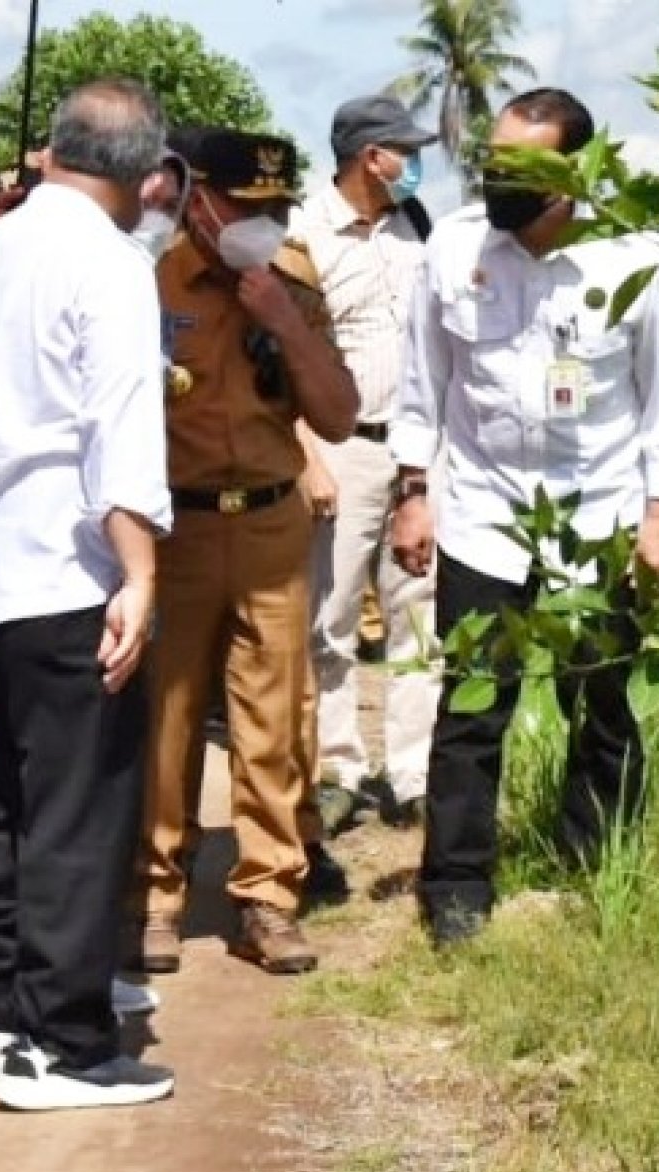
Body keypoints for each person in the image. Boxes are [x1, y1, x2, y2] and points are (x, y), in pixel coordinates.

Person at [388, 88, 659, 947]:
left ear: (572, 173)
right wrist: (413, 492)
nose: (500, 181)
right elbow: (424, 378)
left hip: (597, 513)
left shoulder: (631, 259)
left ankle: (593, 860)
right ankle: (455, 886)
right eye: (494, 163)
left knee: (601, 702)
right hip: (485, 513)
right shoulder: (453, 249)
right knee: (472, 704)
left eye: (523, 168)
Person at [0, 78, 176, 1111]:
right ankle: (63, 1043)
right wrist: (142, 568)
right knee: (79, 807)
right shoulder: (110, 264)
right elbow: (116, 424)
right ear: (149, 176)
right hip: (65, 566)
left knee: (3, 803)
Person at [127, 128, 361, 978]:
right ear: (196, 198)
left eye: (276, 209)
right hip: (174, 528)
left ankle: (268, 896)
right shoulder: (144, 278)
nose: (261, 223)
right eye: (245, 207)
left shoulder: (292, 282)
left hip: (269, 522)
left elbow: (337, 412)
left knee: (273, 723)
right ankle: (156, 894)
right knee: (167, 718)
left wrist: (284, 326)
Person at [292, 95, 442, 837]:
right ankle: (340, 768)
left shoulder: (419, 228)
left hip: (416, 449)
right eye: (402, 149)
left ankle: (412, 772)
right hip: (340, 449)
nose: (414, 163)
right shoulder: (305, 236)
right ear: (367, 157)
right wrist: (307, 458)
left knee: (420, 610)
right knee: (332, 616)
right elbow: (284, 356)